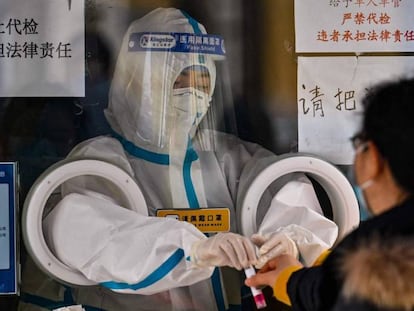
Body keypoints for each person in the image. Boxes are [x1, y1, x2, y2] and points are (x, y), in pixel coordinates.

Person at [19, 8, 337, 311]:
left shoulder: (229, 159)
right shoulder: (101, 163)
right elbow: (89, 234)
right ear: (140, 83)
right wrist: (193, 251)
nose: (194, 94)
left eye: (202, 83)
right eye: (180, 81)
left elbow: (287, 192)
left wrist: (288, 240)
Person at [245, 77, 414, 311]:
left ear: (373, 157)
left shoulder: (379, 253)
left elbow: (342, 293)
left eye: (359, 144)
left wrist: (293, 279)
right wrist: (295, 275)